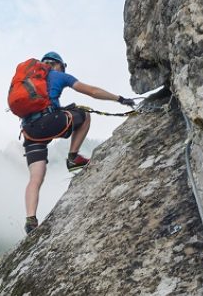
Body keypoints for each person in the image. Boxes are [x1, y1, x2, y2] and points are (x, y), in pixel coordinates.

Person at [22, 51, 134, 234]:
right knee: (84, 114)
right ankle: (73, 157)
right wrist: (119, 99)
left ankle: (30, 220)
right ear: (58, 64)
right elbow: (92, 91)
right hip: (49, 123)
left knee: (35, 177)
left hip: (29, 131)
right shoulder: (58, 75)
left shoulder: (28, 80)